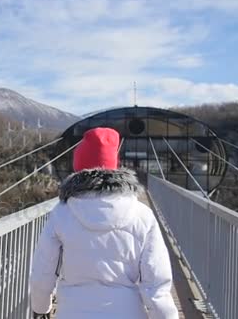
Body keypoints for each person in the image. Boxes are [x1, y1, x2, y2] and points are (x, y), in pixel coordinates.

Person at [29, 127, 178, 319]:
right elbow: (156, 279)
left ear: (79, 167)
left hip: (73, 312)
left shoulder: (61, 213)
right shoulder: (143, 215)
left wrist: (41, 308)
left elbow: (44, 271)